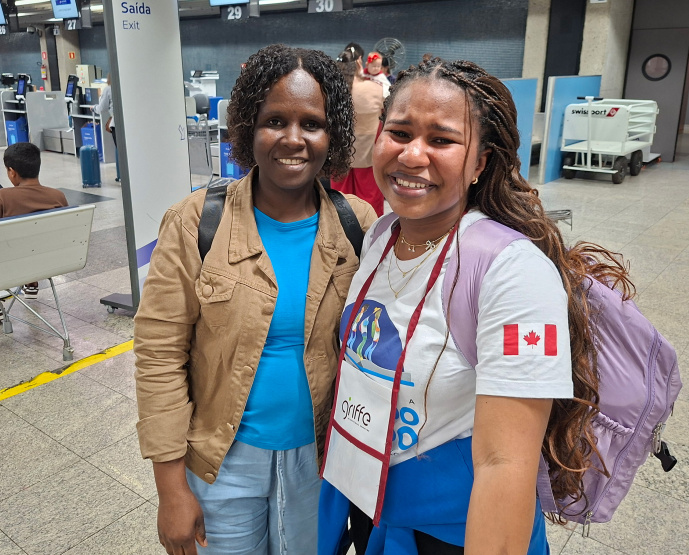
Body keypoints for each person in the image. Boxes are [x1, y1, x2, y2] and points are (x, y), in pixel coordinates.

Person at [318, 58, 631, 555]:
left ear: (481, 162)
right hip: (368, 502)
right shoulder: (380, 233)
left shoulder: (512, 272)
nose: (412, 155)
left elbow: (503, 465)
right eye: (399, 132)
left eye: (441, 140)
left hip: (450, 533)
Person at [133, 44, 376, 555]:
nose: (293, 139)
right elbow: (159, 355)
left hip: (320, 461)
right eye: (274, 121)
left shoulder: (358, 225)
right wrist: (170, 490)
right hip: (222, 464)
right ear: (247, 127)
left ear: (333, 136)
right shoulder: (196, 223)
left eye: (312, 123)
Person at [0, 143, 68, 323]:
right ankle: (32, 285)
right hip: (52, 261)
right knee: (35, 241)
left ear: (12, 172)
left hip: (14, 264)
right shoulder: (58, 196)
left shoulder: (4, 195)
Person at [330, 48, 386, 216]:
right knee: (369, 195)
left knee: (339, 197)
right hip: (367, 150)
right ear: (360, 62)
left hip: (339, 151)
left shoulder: (332, 89)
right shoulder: (375, 88)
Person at [93, 73, 116, 147]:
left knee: (120, 147)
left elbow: (102, 108)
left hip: (115, 123)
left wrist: (94, 108)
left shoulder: (108, 89)